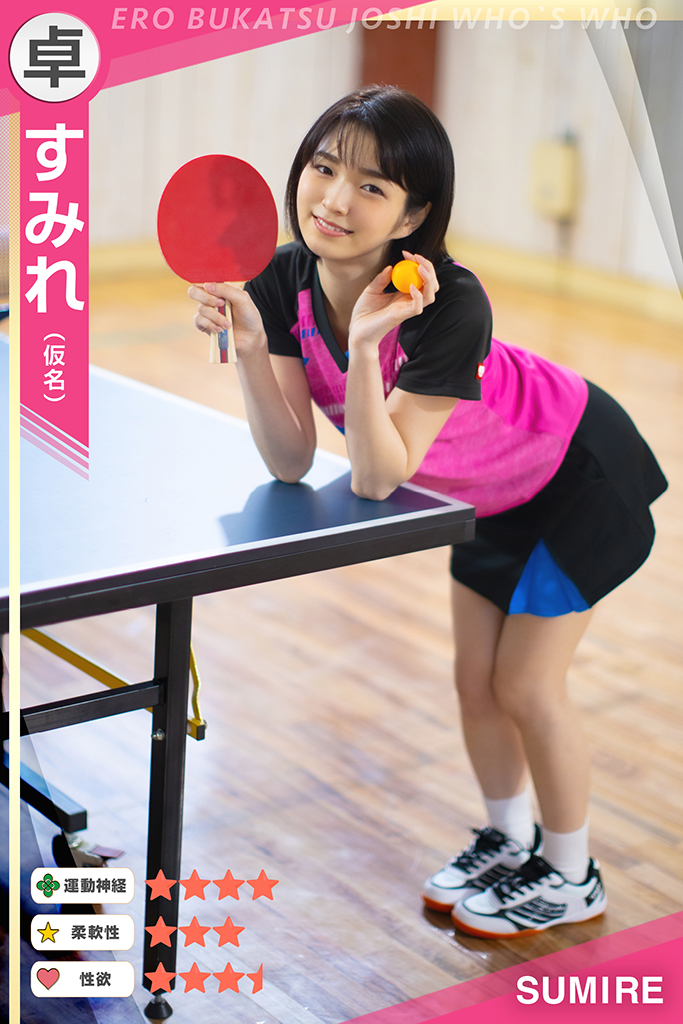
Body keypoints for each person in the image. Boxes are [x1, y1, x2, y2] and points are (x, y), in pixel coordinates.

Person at [190, 86, 667, 938]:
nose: (334, 200)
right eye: (324, 168)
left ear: (412, 216)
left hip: (577, 474)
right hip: (487, 498)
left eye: (371, 187)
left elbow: (378, 477)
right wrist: (253, 351)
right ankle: (509, 839)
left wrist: (366, 346)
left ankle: (572, 873)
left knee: (524, 683)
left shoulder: (447, 304)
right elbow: (291, 458)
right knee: (473, 681)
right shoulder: (283, 277)